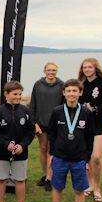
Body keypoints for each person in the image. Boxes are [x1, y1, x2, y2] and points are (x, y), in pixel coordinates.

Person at [46, 79, 95, 202]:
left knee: (80, 189)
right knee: (57, 187)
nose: (72, 94)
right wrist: (53, 153)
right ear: (64, 93)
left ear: (80, 93)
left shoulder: (86, 112)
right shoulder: (57, 111)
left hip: (79, 158)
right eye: (69, 91)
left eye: (75, 91)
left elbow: (90, 137)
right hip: (60, 157)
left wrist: (86, 159)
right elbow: (52, 134)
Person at [0, 81, 36, 202]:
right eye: (15, 94)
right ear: (6, 94)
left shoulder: (25, 111)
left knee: (20, 180)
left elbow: (30, 131)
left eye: (20, 94)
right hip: (2, 152)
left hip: (21, 152)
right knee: (1, 179)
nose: (18, 97)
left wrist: (22, 145)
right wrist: (5, 144)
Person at [77, 58, 102, 202]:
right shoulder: (81, 85)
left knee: (96, 158)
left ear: (95, 68)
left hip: (100, 124)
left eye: (89, 67)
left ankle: (97, 187)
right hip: (84, 125)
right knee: (87, 157)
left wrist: (95, 108)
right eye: (84, 67)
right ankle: (89, 185)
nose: (87, 69)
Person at [28, 62, 64, 192]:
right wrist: (33, 121)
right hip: (40, 123)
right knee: (43, 148)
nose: (51, 72)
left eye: (54, 70)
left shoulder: (61, 85)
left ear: (57, 71)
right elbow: (33, 103)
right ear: (44, 71)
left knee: (51, 150)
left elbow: (63, 105)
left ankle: (50, 177)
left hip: (55, 124)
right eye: (49, 70)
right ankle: (45, 174)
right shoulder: (38, 85)